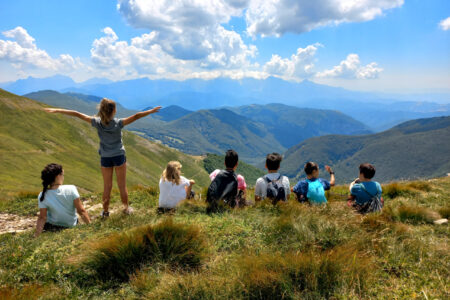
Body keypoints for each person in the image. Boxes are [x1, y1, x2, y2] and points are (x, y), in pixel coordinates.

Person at [44, 99, 161, 217]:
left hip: (105, 157)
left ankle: (105, 212)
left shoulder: (97, 122)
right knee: (122, 185)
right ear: (114, 111)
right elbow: (136, 116)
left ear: (101, 110)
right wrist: (150, 111)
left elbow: (76, 113)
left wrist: (57, 110)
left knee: (107, 187)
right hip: (119, 156)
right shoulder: (118, 123)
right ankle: (126, 209)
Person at [35, 163, 90, 237]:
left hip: (51, 228)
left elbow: (42, 217)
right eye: (63, 175)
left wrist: (36, 235)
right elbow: (81, 211)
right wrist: (90, 226)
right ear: (58, 176)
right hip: (70, 226)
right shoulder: (71, 189)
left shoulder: (42, 194)